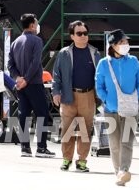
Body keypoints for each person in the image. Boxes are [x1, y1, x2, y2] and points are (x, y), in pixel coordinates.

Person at [95, 29, 139, 186]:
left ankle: (124, 170)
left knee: (126, 143)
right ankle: (118, 172)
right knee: (114, 144)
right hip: (111, 110)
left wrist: (137, 97)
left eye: (126, 42)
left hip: (130, 110)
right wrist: (106, 100)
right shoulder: (104, 63)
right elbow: (99, 85)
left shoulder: (133, 61)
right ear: (113, 45)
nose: (126, 45)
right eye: (122, 42)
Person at [51, 20, 99, 172]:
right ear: (72, 36)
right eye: (79, 33)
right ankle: (66, 159)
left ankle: (82, 160)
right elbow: (56, 75)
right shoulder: (64, 53)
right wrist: (56, 92)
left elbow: (101, 75)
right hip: (68, 95)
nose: (83, 36)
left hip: (88, 95)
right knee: (67, 130)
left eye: (85, 33)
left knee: (85, 130)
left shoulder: (94, 53)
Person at [9, 13, 55, 157]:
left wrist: (18, 79)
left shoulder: (15, 42)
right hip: (34, 83)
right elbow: (36, 63)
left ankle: (25, 148)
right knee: (41, 113)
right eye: (36, 22)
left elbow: (10, 64)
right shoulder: (36, 40)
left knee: (24, 115)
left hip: (21, 86)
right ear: (32, 25)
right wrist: (27, 79)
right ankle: (41, 148)